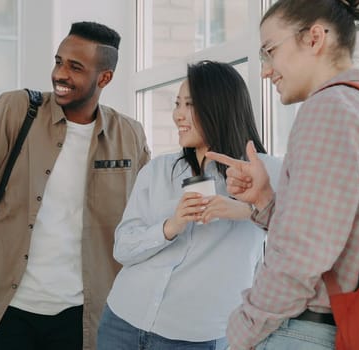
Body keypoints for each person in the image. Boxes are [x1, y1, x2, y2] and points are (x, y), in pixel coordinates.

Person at [0, 21, 150, 349]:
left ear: (104, 78)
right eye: (58, 61)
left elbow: (145, 215)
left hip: (83, 315)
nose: (60, 74)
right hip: (5, 309)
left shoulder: (129, 135)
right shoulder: (17, 110)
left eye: (75, 67)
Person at [205, 1, 359, 349]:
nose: (265, 70)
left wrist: (244, 329)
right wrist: (264, 200)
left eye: (270, 51)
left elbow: (301, 255)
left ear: (314, 38)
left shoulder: (328, 110)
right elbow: (336, 236)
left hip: (302, 332)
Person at [96, 61, 282, 350]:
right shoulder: (158, 170)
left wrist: (247, 210)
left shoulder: (265, 170)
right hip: (122, 321)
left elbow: (308, 226)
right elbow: (123, 248)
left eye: (189, 105)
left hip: (195, 338)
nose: (177, 115)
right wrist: (171, 226)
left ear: (219, 107)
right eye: (177, 104)